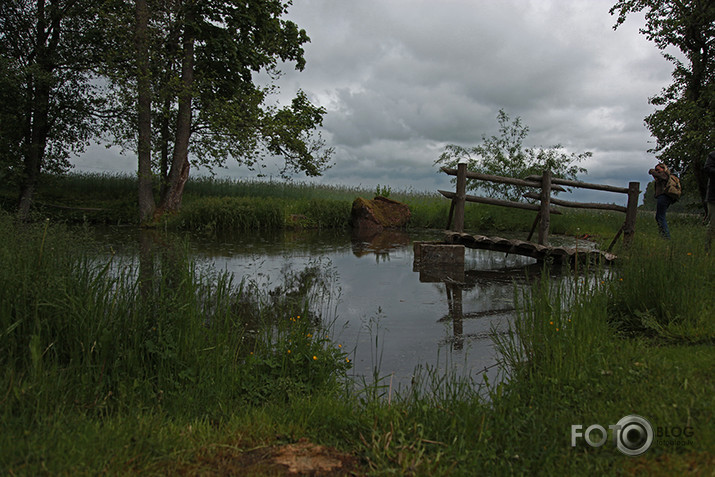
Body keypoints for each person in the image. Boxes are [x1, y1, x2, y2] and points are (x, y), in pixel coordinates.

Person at [648, 162, 675, 239]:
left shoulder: (664, 174)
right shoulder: (662, 176)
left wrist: (653, 171)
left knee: (660, 217)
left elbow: (658, 175)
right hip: (663, 197)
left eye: (658, 169)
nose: (656, 171)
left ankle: (666, 236)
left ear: (663, 168)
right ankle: (663, 235)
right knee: (659, 217)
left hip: (663, 197)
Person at [704, 151, 715, 253]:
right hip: (713, 197)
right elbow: (707, 169)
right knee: (713, 225)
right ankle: (707, 250)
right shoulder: (712, 155)